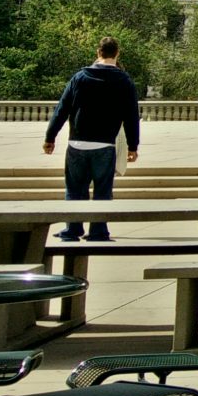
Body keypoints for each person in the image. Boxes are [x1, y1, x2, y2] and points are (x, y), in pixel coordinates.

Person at [43, 35, 141, 243]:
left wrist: (50, 137)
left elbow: (62, 109)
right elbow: (131, 116)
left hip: (77, 142)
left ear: (98, 53)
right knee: (102, 190)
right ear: (117, 54)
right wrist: (133, 145)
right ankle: (98, 231)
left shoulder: (79, 77)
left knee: (75, 188)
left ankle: (73, 228)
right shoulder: (124, 81)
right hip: (104, 144)